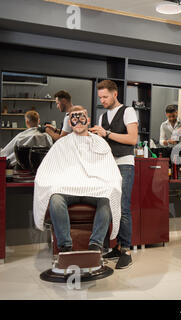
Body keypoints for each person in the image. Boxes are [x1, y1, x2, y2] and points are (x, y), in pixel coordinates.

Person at [33, 106, 122, 252]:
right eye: (74, 119)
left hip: (94, 189)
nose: (78, 122)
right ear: (69, 122)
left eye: (82, 118)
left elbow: (109, 169)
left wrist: (109, 184)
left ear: (88, 120)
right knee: (55, 198)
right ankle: (65, 246)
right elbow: (47, 170)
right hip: (68, 189)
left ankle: (95, 245)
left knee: (106, 199)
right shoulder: (62, 143)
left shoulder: (100, 143)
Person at [90, 80, 138, 269]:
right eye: (100, 97)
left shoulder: (128, 111)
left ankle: (126, 250)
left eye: (105, 97)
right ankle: (117, 247)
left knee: (123, 206)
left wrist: (107, 133)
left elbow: (132, 139)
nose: (102, 100)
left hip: (124, 164)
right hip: (107, 166)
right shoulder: (102, 117)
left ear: (115, 94)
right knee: (109, 206)